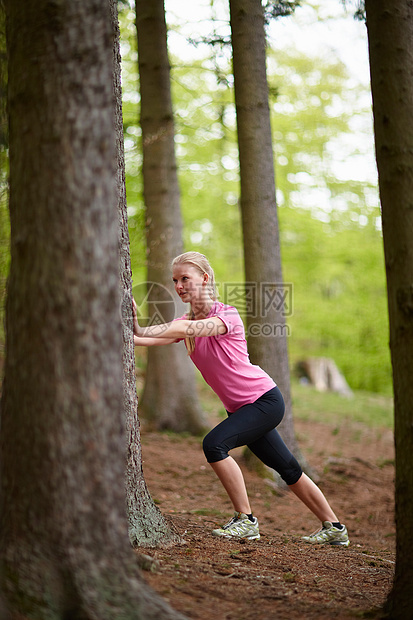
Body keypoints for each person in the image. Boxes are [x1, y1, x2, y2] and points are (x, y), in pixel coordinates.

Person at [133, 251, 349, 547]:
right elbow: (152, 338)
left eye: (186, 278)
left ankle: (245, 520)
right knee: (287, 468)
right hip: (243, 409)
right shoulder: (185, 322)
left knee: (215, 444)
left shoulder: (226, 316)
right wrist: (130, 332)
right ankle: (334, 527)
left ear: (205, 278)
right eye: (175, 280)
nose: (179, 285)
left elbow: (181, 330)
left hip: (264, 401)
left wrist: (140, 329)